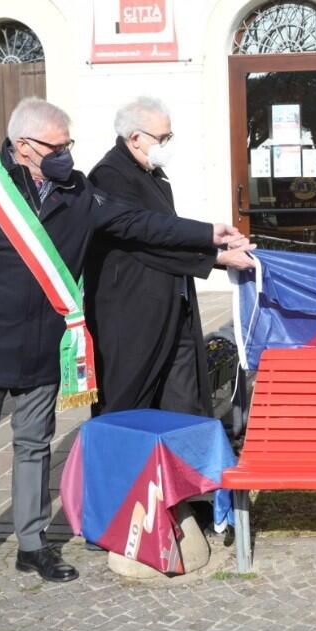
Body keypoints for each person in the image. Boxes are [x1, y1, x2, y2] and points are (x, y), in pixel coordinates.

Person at [0, 97, 256, 589]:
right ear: (23, 146)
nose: (66, 155)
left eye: (68, 145)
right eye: (56, 147)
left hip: (44, 346)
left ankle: (33, 545)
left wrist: (209, 234)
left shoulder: (76, 190)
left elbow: (137, 222)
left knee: (33, 447)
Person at [85, 97, 215, 417]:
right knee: (127, 408)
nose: (166, 145)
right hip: (134, 314)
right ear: (135, 138)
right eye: (162, 138)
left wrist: (213, 251)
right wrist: (211, 245)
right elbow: (146, 233)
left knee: (183, 404)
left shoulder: (151, 172)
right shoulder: (109, 175)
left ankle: (180, 451)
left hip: (173, 306)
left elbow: (166, 233)